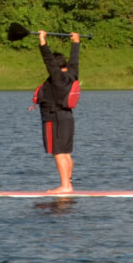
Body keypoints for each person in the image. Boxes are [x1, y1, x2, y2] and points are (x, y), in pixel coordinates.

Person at [37, 30, 81, 193]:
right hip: (67, 118)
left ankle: (65, 186)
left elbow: (48, 60)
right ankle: (68, 184)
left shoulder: (58, 78)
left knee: (59, 153)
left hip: (55, 118)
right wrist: (76, 43)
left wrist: (43, 41)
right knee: (65, 153)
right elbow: (74, 62)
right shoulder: (72, 74)